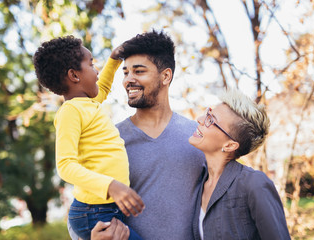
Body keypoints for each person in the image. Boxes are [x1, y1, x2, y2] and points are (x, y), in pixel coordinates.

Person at [69, 30, 205, 240]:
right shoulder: (108, 139)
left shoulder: (198, 137)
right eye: (125, 73)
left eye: (139, 71)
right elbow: (82, 210)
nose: (127, 80)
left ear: (166, 76)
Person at [33, 35, 144, 240]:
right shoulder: (70, 111)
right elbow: (66, 165)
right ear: (74, 75)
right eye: (92, 65)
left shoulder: (88, 103)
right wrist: (111, 185)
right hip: (93, 212)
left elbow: (102, 88)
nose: (97, 71)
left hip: (106, 208)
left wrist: (114, 59)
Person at [189, 88, 290, 240]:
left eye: (211, 119)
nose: (200, 119)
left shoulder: (254, 184)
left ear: (230, 145)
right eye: (208, 112)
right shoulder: (199, 183)